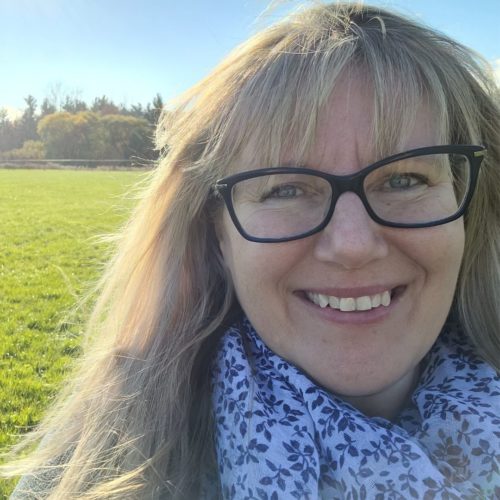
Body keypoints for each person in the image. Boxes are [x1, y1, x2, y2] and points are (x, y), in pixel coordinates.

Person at [3, 2, 500, 498]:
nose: (353, 245)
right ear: (218, 237)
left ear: (465, 206)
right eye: (285, 189)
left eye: (406, 178)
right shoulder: (92, 469)